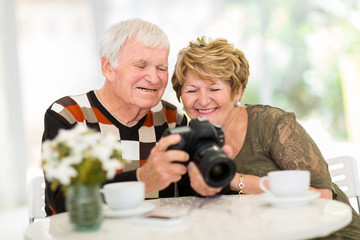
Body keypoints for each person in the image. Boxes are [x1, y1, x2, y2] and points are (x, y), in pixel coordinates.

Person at [171, 36, 360, 239]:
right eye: (191, 90)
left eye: (215, 89)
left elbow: (323, 196)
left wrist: (233, 181)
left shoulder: (273, 124)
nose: (203, 100)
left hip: (327, 233)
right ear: (181, 96)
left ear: (238, 92)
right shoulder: (186, 141)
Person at [42, 19, 195, 216]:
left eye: (162, 67)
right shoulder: (69, 115)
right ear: (108, 68)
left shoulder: (173, 119)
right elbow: (65, 203)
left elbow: (186, 201)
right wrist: (142, 179)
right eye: (141, 66)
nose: (154, 78)